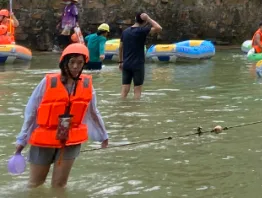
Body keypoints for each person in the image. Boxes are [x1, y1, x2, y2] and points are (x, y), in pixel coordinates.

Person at [14, 43, 109, 188]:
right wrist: (22, 140)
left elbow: (93, 112)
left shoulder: (87, 85)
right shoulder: (48, 82)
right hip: (44, 140)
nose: (76, 67)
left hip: (70, 140)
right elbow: (31, 111)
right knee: (35, 185)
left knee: (59, 185)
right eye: (72, 62)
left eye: (80, 63)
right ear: (64, 62)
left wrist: (103, 135)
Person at [119, 12, 161, 99]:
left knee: (124, 89)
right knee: (137, 90)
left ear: (135, 19)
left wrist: (120, 61)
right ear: (144, 22)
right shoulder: (142, 31)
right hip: (138, 64)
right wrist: (148, 18)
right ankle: (136, 109)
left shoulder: (125, 32)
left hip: (126, 64)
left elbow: (120, 47)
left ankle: (121, 107)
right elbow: (159, 28)